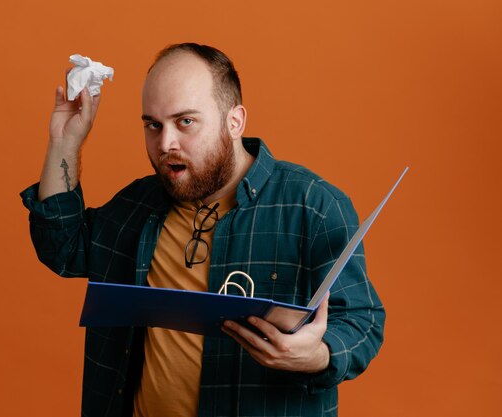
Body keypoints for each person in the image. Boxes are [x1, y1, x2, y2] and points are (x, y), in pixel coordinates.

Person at [20, 43, 385, 417]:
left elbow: (363, 320)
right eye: (152, 125)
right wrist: (65, 141)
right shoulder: (139, 204)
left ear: (235, 121)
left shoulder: (314, 206)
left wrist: (316, 356)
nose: (165, 144)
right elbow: (61, 247)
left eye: (185, 122)